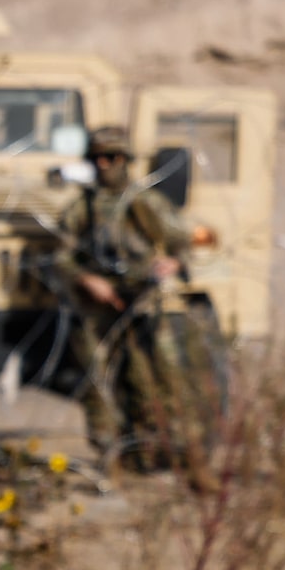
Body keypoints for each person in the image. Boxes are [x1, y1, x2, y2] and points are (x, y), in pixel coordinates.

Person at [50, 123, 198, 466]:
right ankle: (111, 457)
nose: (105, 165)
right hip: (97, 306)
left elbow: (180, 240)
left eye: (112, 157)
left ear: (125, 159)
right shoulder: (81, 209)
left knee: (159, 378)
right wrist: (87, 280)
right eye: (98, 158)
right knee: (99, 382)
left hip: (143, 302)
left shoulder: (145, 202)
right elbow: (60, 255)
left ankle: (169, 452)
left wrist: (172, 264)